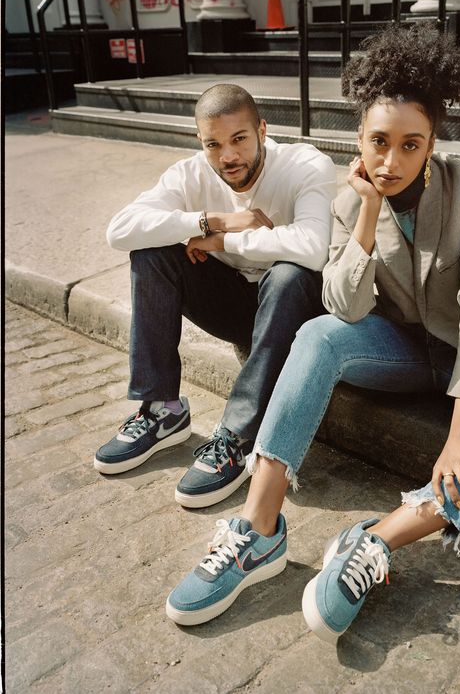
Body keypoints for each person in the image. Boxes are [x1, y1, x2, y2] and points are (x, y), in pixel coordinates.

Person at [165, 24, 460, 640]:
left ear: (433, 142)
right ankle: (258, 530)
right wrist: (367, 213)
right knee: (320, 334)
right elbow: (345, 306)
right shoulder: (348, 198)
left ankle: (377, 540)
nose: (392, 161)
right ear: (358, 136)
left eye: (412, 145)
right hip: (408, 346)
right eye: (379, 142)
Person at [94, 83, 337, 510]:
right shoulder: (191, 173)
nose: (228, 156)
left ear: (262, 129)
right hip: (234, 306)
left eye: (239, 139)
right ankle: (162, 409)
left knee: (290, 274)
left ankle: (238, 436)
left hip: (292, 309)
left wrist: (225, 243)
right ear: (201, 143)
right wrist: (212, 220)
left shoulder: (304, 163)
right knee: (151, 253)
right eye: (214, 145)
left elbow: (314, 246)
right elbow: (120, 229)